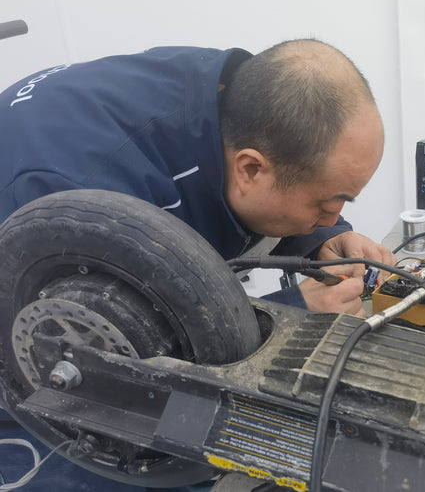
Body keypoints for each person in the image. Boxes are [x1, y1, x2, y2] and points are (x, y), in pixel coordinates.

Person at [0, 39, 396, 490]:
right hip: (28, 333)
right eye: (331, 202)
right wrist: (293, 318)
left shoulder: (233, 101)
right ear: (249, 169)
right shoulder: (73, 198)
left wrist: (325, 235)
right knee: (119, 454)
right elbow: (122, 357)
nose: (335, 212)